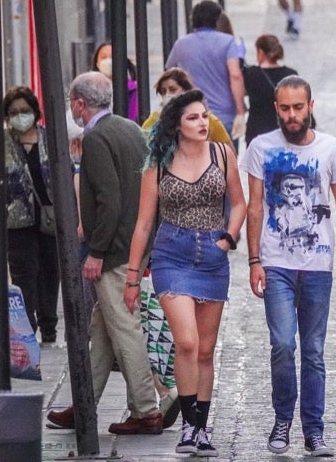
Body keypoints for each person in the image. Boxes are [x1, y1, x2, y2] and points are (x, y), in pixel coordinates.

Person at [124, 89, 247, 456]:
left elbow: (239, 203)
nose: (203, 122)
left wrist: (228, 238)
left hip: (212, 256)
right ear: (176, 124)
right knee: (188, 342)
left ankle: (200, 429)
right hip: (171, 256)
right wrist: (133, 277)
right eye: (193, 117)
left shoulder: (223, 154)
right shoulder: (158, 162)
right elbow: (144, 224)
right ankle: (189, 426)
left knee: (206, 350)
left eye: (205, 115)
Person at [241, 75, 336, 457]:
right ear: (276, 108)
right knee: (281, 343)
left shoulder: (330, 149)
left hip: (318, 266)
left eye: (298, 107)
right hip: (275, 264)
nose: (292, 115)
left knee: (313, 351)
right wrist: (254, 259)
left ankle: (314, 431)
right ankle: (281, 421)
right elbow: (255, 205)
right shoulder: (260, 147)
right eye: (285, 108)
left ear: (311, 106)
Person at [47, 73, 161, 435]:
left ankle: (146, 409)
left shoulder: (95, 138)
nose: (72, 109)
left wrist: (95, 251)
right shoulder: (131, 129)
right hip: (134, 245)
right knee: (103, 328)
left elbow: (107, 199)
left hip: (114, 252)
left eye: (72, 102)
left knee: (124, 328)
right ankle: (84, 403)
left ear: (80, 103)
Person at [2, 85, 60, 344]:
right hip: (16, 223)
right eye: (14, 112)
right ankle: (27, 326)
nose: (20, 116)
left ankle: (49, 326)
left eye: (25, 110)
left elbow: (65, 174)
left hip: (49, 220)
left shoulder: (50, 139)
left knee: (49, 272)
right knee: (24, 275)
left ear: (35, 112)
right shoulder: (1, 143)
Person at [165, 0, 247, 139]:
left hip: (191, 112)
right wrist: (240, 111)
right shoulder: (227, 42)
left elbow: (169, 72)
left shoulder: (181, 44)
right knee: (225, 156)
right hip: (224, 113)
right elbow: (235, 75)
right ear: (216, 19)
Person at [140, 67, 233, 149]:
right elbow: (142, 140)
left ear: (186, 90)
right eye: (163, 91)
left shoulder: (208, 120)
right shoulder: (156, 119)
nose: (167, 95)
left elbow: (230, 154)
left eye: (173, 89)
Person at [244, 34, 299, 146]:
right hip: (284, 132)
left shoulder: (251, 74)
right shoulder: (291, 74)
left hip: (257, 133)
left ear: (260, 52)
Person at [93, 42, 139, 122]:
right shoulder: (89, 89)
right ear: (97, 63)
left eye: (112, 57)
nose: (108, 61)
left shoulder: (132, 91)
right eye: (103, 57)